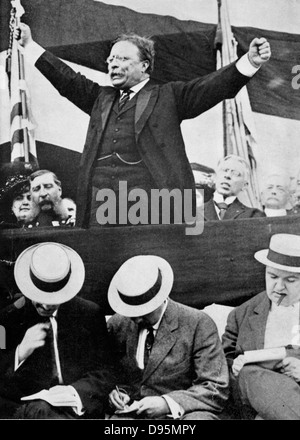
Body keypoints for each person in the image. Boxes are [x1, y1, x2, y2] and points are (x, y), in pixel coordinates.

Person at [16, 23, 271, 227]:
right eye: (111, 59)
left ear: (144, 66)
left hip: (151, 206)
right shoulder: (100, 98)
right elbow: (67, 79)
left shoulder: (169, 96)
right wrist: (29, 45)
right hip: (100, 207)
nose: (112, 63)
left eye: (122, 59)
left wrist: (250, 62)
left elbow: (211, 87)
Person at [0, 242, 116, 419]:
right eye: (40, 297)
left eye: (53, 299)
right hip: (26, 409)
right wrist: (20, 353)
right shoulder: (9, 317)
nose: (46, 305)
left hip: (75, 408)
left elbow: (107, 370)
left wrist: (74, 393)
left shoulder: (89, 314)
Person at [106, 255, 229, 420]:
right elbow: (110, 375)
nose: (135, 318)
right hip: (133, 416)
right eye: (130, 310)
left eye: (142, 310)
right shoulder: (118, 324)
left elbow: (215, 388)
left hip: (186, 414)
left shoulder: (198, 324)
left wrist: (167, 403)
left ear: (158, 299)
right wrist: (118, 394)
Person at [222, 233, 300, 420]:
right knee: (249, 374)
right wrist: (237, 367)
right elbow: (222, 366)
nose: (278, 287)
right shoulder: (242, 314)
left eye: (290, 280)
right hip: (256, 400)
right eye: (272, 276)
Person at [204, 154, 266, 220]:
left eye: (236, 173)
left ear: (244, 185)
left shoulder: (253, 215)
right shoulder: (195, 211)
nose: (227, 175)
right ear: (215, 177)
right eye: (224, 170)